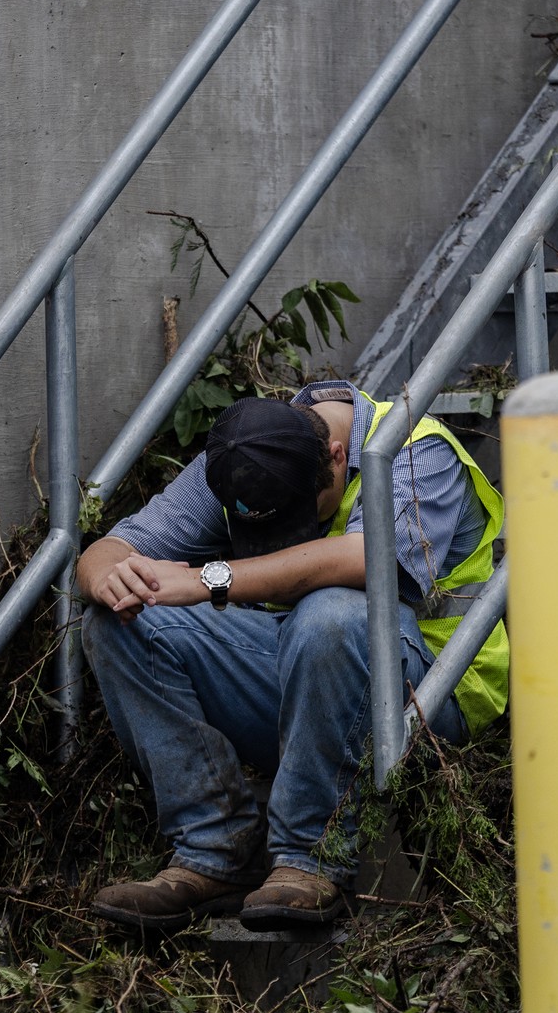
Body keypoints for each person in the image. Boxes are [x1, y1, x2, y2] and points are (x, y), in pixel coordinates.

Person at [79, 379, 508, 932]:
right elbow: (112, 546)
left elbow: (366, 559)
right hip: (308, 676)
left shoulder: (412, 447)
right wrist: (112, 579)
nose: (281, 540)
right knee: (119, 625)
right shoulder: (249, 453)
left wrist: (211, 577)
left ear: (333, 456)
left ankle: (311, 855)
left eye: (301, 515)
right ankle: (214, 852)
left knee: (333, 611)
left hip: (428, 697)